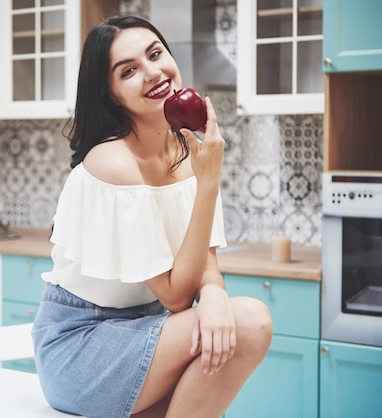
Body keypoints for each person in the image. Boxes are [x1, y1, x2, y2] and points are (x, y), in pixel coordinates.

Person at [31, 16, 273, 418]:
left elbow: (204, 262)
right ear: (110, 95)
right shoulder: (113, 163)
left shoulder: (184, 147)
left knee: (227, 328)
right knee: (249, 322)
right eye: (128, 71)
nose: (152, 72)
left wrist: (214, 293)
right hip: (82, 345)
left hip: (147, 331)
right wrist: (209, 179)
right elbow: (177, 296)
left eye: (155, 54)